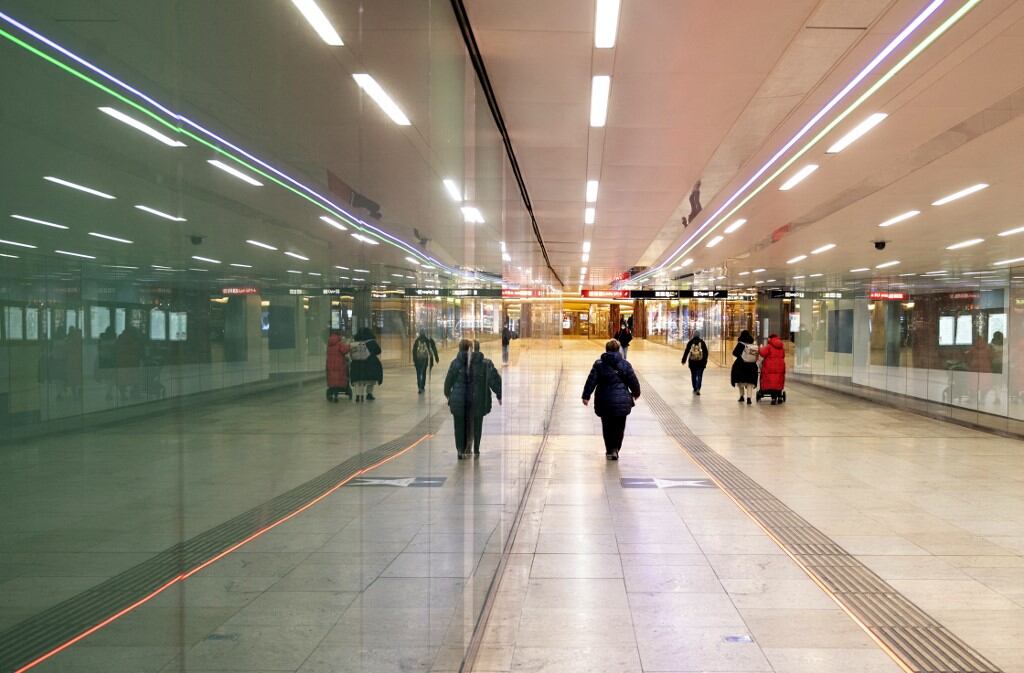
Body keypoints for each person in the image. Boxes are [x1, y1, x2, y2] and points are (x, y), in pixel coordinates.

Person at [582, 339, 641, 460]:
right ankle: (615, 449)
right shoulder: (625, 364)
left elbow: (591, 380)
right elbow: (633, 381)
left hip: (605, 401)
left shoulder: (599, 364)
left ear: (606, 349)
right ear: (618, 349)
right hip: (622, 402)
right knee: (619, 427)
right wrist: (636, 393)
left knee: (607, 426)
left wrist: (586, 396)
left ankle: (609, 450)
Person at [444, 339, 502, 459]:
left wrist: (448, 395)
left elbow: (448, 382)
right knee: (477, 423)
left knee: (459, 425)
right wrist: (499, 394)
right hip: (478, 399)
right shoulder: (485, 363)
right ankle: (476, 449)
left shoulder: (455, 363)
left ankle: (460, 450)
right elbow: (494, 380)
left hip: (459, 401)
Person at [349, 327, 383, 402]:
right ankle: (369, 394)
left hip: (357, 363)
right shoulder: (372, 342)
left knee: (359, 381)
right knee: (371, 380)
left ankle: (358, 395)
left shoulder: (356, 343)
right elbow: (378, 351)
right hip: (371, 364)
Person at [731, 330, 759, 405]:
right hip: (752, 366)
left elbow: (734, 353)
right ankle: (749, 398)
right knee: (750, 382)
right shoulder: (752, 344)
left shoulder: (740, 344)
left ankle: (741, 396)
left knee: (741, 381)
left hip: (741, 365)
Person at [759, 333, 787, 405]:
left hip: (770, 366)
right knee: (778, 381)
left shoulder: (769, 346)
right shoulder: (781, 347)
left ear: (770, 339)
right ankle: (780, 397)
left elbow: (762, 353)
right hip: (780, 366)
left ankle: (774, 398)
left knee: (772, 382)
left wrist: (760, 348)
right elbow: (783, 355)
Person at [325, 332, 351, 402]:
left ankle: (332, 391)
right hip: (339, 364)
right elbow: (345, 350)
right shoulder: (339, 344)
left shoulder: (329, 345)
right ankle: (338, 391)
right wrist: (349, 345)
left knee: (332, 378)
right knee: (339, 377)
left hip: (330, 365)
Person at [412, 330, 439, 394]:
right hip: (425, 359)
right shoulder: (428, 340)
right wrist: (436, 358)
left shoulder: (416, 341)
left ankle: (419, 387)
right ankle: (422, 386)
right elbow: (433, 349)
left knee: (418, 374)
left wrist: (414, 360)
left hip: (418, 360)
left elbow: (413, 351)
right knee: (423, 373)